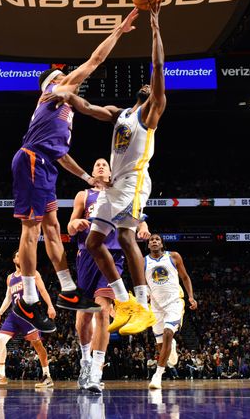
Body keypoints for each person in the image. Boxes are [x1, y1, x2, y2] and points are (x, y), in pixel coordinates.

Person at [11, 9, 140, 333]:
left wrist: (85, 178)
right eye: (59, 77)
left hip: (45, 166)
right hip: (30, 162)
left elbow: (62, 156)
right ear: (50, 85)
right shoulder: (53, 96)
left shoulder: (64, 114)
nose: (67, 78)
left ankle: (68, 290)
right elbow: (95, 60)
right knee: (32, 232)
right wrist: (120, 31)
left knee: (53, 228)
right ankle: (28, 299)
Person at [52, 1, 166, 336]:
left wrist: (155, 25)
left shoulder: (151, 112)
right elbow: (86, 106)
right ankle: (125, 300)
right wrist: (63, 94)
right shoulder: (122, 114)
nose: (153, 88)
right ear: (137, 95)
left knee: (128, 237)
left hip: (133, 182)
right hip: (114, 186)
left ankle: (143, 306)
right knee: (92, 243)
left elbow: (158, 67)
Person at [68, 158, 151, 393]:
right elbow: (70, 226)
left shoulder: (121, 192)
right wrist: (76, 224)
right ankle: (85, 361)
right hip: (86, 256)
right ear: (93, 172)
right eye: (96, 164)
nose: (101, 166)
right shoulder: (84, 195)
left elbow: (138, 219)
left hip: (113, 256)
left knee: (103, 311)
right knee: (83, 319)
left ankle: (96, 371)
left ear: (112, 171)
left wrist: (143, 228)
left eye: (105, 164)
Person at [0, 252, 55, 388]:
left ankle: (47, 376)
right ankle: (1, 375)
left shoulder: (33, 273)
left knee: (37, 345)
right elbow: (8, 297)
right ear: (13, 259)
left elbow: (42, 290)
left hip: (29, 315)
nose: (21, 257)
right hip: (14, 315)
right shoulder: (10, 278)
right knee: (0, 340)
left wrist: (50, 306)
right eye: (18, 255)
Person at [145, 234, 197, 389]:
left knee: (168, 332)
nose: (154, 241)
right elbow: (141, 283)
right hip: (155, 307)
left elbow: (185, 277)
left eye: (157, 239)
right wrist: (145, 296)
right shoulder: (143, 261)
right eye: (151, 240)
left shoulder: (173, 256)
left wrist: (191, 297)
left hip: (174, 302)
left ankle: (157, 375)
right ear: (148, 245)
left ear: (162, 244)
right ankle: (171, 346)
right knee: (161, 346)